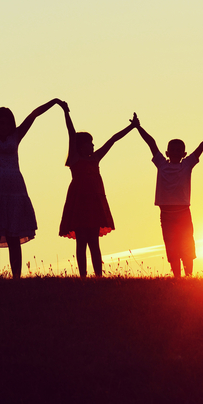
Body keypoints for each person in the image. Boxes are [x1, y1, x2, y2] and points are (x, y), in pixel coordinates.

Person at [0, 70, 65, 278]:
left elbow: (33, 115)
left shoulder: (16, 135)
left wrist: (54, 102)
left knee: (13, 233)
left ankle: (17, 277)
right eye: (1, 120)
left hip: (13, 192)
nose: (4, 124)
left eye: (8, 121)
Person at [136, 118, 203, 277]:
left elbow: (202, 146)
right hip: (166, 214)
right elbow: (151, 143)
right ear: (167, 153)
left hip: (183, 213)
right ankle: (177, 278)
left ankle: (188, 276)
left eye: (180, 150)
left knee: (186, 245)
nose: (176, 152)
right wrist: (138, 127)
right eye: (173, 149)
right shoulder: (161, 164)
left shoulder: (186, 164)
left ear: (184, 153)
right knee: (171, 246)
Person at [59, 105, 139, 277]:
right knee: (81, 242)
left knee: (94, 242)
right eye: (90, 142)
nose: (93, 145)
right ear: (80, 145)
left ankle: (98, 275)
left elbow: (113, 140)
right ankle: (82, 276)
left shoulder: (95, 158)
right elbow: (71, 133)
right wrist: (66, 113)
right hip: (79, 204)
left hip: (94, 204)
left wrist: (131, 127)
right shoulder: (75, 158)